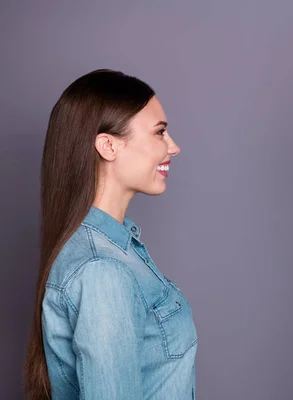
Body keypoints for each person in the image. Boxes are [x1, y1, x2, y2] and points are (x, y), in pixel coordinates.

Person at [24, 69, 197, 399]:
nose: (173, 147)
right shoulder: (102, 270)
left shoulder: (118, 249)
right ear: (108, 146)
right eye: (160, 133)